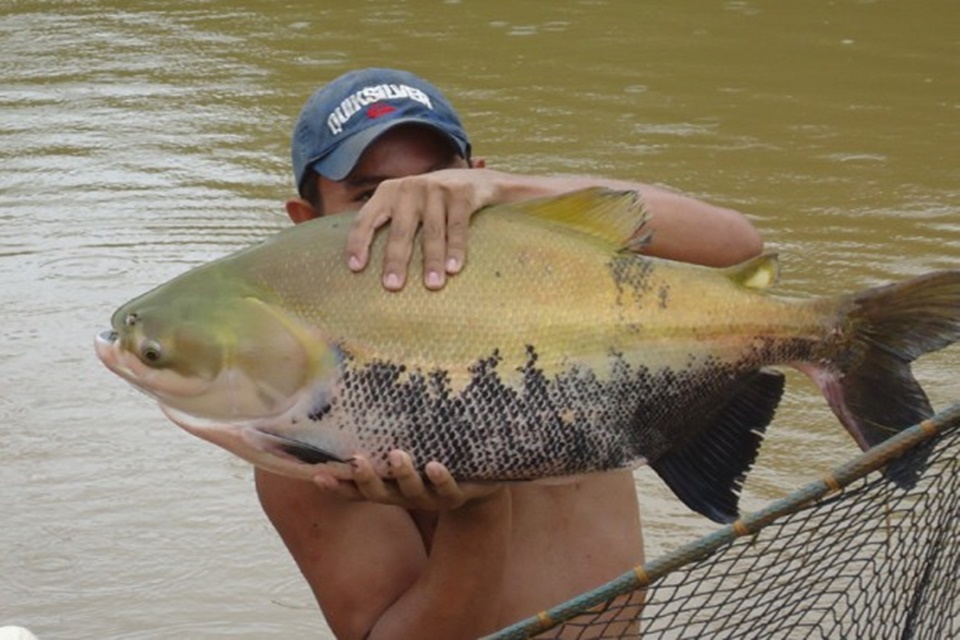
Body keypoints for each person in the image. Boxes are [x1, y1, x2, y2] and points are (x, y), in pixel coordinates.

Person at [256, 68, 763, 639]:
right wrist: (475, 512)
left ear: (474, 179)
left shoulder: (560, 289)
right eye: (371, 196)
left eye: (438, 183)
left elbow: (735, 246)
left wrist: (507, 192)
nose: (415, 214)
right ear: (307, 222)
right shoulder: (305, 417)